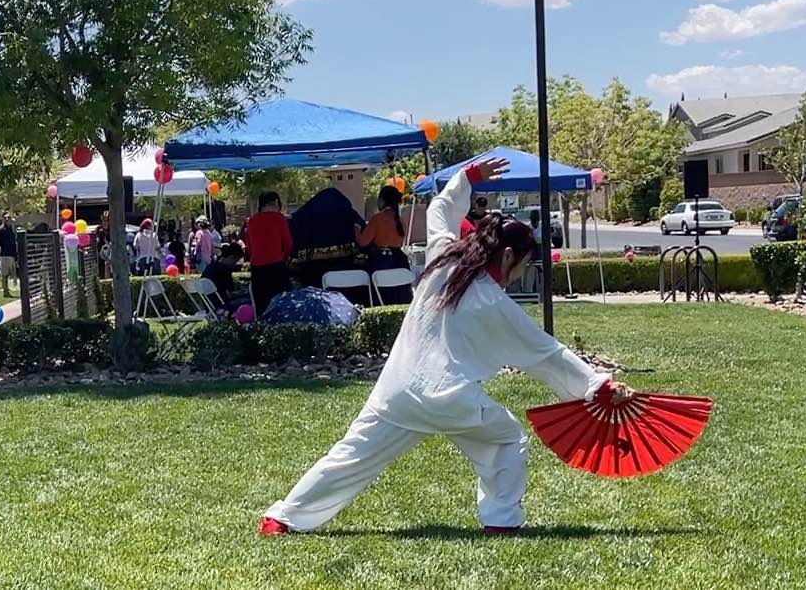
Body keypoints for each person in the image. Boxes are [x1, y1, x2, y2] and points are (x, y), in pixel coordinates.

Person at [260, 158, 634, 537]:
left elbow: (440, 209)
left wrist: (467, 178)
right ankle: (501, 521)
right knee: (506, 439)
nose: (519, 273)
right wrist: (598, 386)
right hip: (452, 400)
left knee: (350, 456)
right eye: (521, 265)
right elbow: (547, 354)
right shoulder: (496, 304)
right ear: (506, 256)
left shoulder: (442, 259)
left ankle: (283, 518)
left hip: (397, 393)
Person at [355, 185, 412, 304]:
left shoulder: (377, 219)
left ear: (382, 200)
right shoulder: (400, 220)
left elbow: (363, 242)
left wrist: (357, 231)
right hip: (399, 262)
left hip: (380, 262)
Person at [246, 191, 293, 317]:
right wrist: (284, 258)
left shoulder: (251, 221)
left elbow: (250, 246)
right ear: (277, 203)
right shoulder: (279, 218)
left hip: (257, 268)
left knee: (261, 305)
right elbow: (288, 243)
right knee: (283, 302)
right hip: (276, 265)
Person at [201, 243, 246, 310]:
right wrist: (243, 292)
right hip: (222, 306)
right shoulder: (225, 269)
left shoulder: (210, 266)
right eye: (235, 261)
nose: (234, 264)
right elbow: (230, 294)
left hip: (208, 306)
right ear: (232, 257)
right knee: (249, 299)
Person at [0, 213, 18, 298]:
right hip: (4, 254)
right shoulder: (1, 230)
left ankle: (11, 289)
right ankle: (5, 291)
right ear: (3, 219)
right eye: (5, 218)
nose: (7, 219)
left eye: (9, 218)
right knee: (5, 274)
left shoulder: (12, 229)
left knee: (13, 273)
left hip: (12, 254)